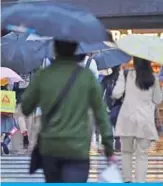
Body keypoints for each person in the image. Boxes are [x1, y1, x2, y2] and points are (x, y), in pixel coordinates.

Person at [21, 40, 113, 183]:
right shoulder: (87, 77)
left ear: (55, 49)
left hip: (50, 147)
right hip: (78, 147)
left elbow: (26, 107)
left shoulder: (44, 75)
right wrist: (108, 146)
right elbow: (101, 114)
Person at [112, 57, 162, 183]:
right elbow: (158, 99)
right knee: (142, 155)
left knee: (126, 153)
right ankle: (140, 182)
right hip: (145, 121)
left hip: (127, 119)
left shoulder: (126, 74)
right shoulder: (153, 78)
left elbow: (116, 94)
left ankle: (127, 181)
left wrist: (120, 76)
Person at [101, 65, 123, 151]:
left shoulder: (106, 79)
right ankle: (118, 141)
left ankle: (110, 143)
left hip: (109, 105)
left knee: (110, 125)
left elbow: (100, 91)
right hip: (120, 105)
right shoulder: (123, 78)